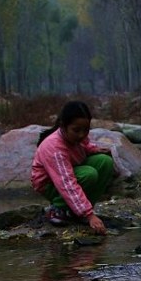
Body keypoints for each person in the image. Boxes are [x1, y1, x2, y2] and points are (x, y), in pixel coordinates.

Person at [31, 100, 115, 235]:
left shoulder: (78, 137)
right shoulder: (54, 147)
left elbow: (85, 145)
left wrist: (96, 150)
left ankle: (77, 212)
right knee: (89, 174)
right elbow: (66, 183)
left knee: (105, 162)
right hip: (50, 185)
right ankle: (57, 209)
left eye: (86, 130)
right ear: (63, 126)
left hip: (73, 172)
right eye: (76, 130)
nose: (82, 135)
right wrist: (89, 215)